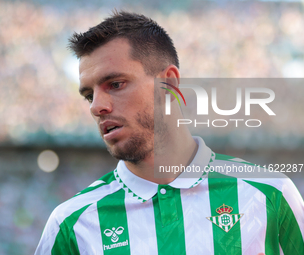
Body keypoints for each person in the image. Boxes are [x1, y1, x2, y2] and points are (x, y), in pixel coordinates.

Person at [35, 11, 304, 255]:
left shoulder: (270, 192)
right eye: (89, 95)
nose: (96, 107)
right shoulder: (71, 224)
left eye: (115, 84)